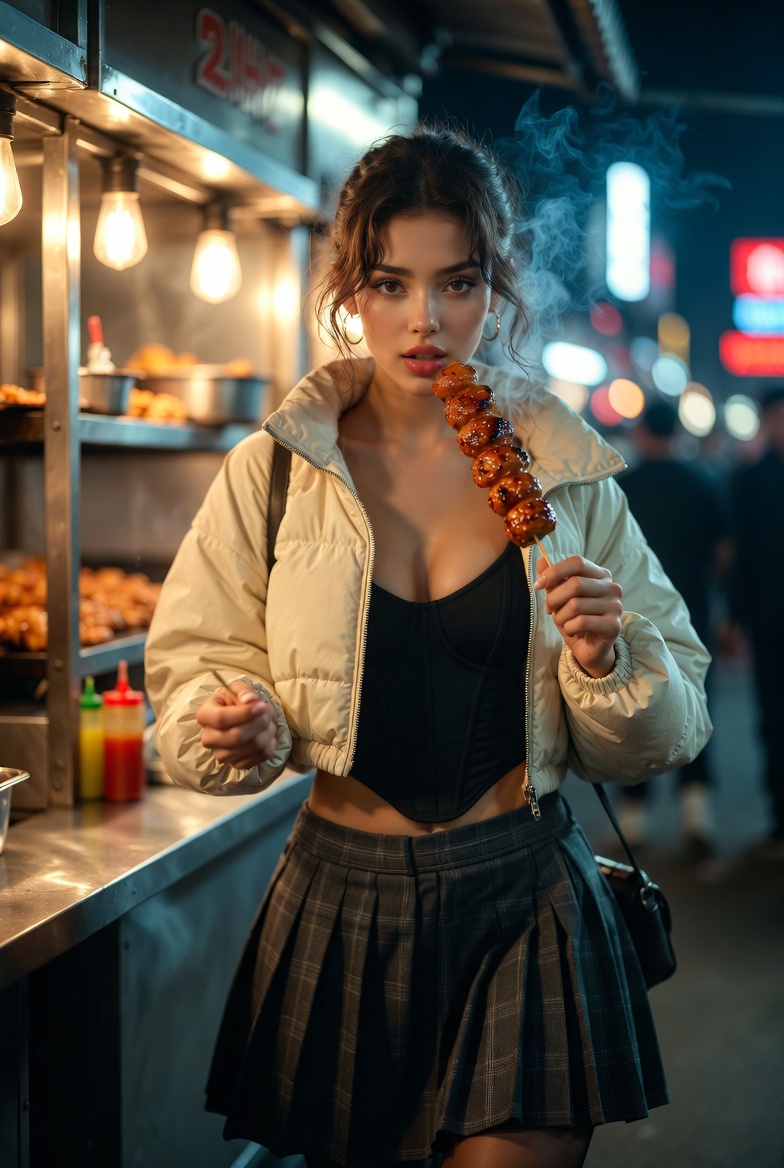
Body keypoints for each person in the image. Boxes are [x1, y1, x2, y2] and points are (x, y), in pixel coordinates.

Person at [144, 124, 711, 1168]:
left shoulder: (562, 471)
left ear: (493, 287)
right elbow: (188, 673)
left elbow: (673, 726)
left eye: (455, 283)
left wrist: (606, 660)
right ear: (349, 290)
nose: (423, 320)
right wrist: (231, 716)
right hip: (339, 887)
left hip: (526, 888)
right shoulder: (276, 471)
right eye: (389, 283)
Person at [614, 400, 731, 855]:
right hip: (691, 615)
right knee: (695, 705)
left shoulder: (623, 487)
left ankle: (633, 817)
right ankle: (696, 811)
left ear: (643, 432)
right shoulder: (703, 482)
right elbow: (723, 552)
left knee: (631, 709)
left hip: (632, 617)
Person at [726, 385, 784, 857]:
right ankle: (780, 820)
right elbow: (741, 557)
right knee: (775, 719)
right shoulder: (749, 479)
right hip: (770, 620)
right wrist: (735, 617)